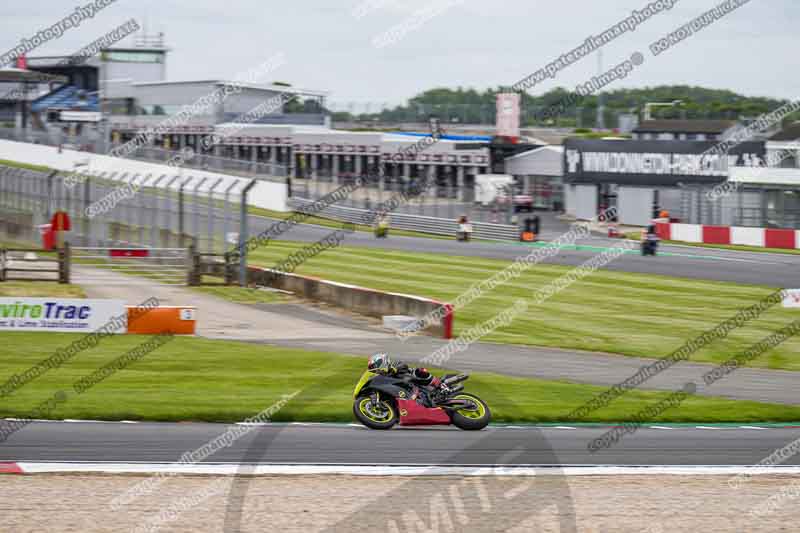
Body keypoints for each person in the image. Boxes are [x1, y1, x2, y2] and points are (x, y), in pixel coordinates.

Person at [367, 353, 447, 394]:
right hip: (408, 391)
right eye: (373, 370)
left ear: (381, 362)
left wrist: (394, 370)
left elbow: (404, 365)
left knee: (419, 371)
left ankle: (440, 384)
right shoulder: (384, 378)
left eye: (375, 367)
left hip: (413, 380)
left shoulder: (393, 365)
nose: (376, 371)